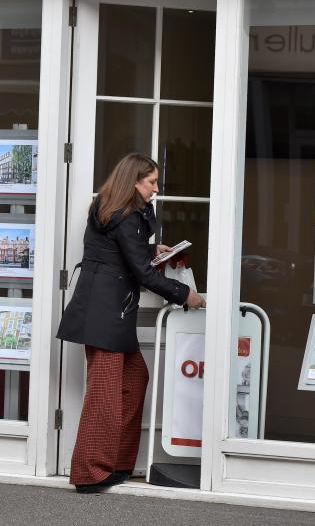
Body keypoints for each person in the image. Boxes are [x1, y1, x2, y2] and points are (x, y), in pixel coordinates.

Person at [56, 153, 206, 494]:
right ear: (134, 181)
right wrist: (186, 295)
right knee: (105, 393)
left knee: (135, 377)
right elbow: (140, 272)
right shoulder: (125, 215)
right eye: (151, 182)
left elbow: (122, 253)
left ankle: (117, 464)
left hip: (110, 310)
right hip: (104, 311)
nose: (156, 188)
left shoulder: (121, 210)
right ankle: (90, 473)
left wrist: (152, 249)